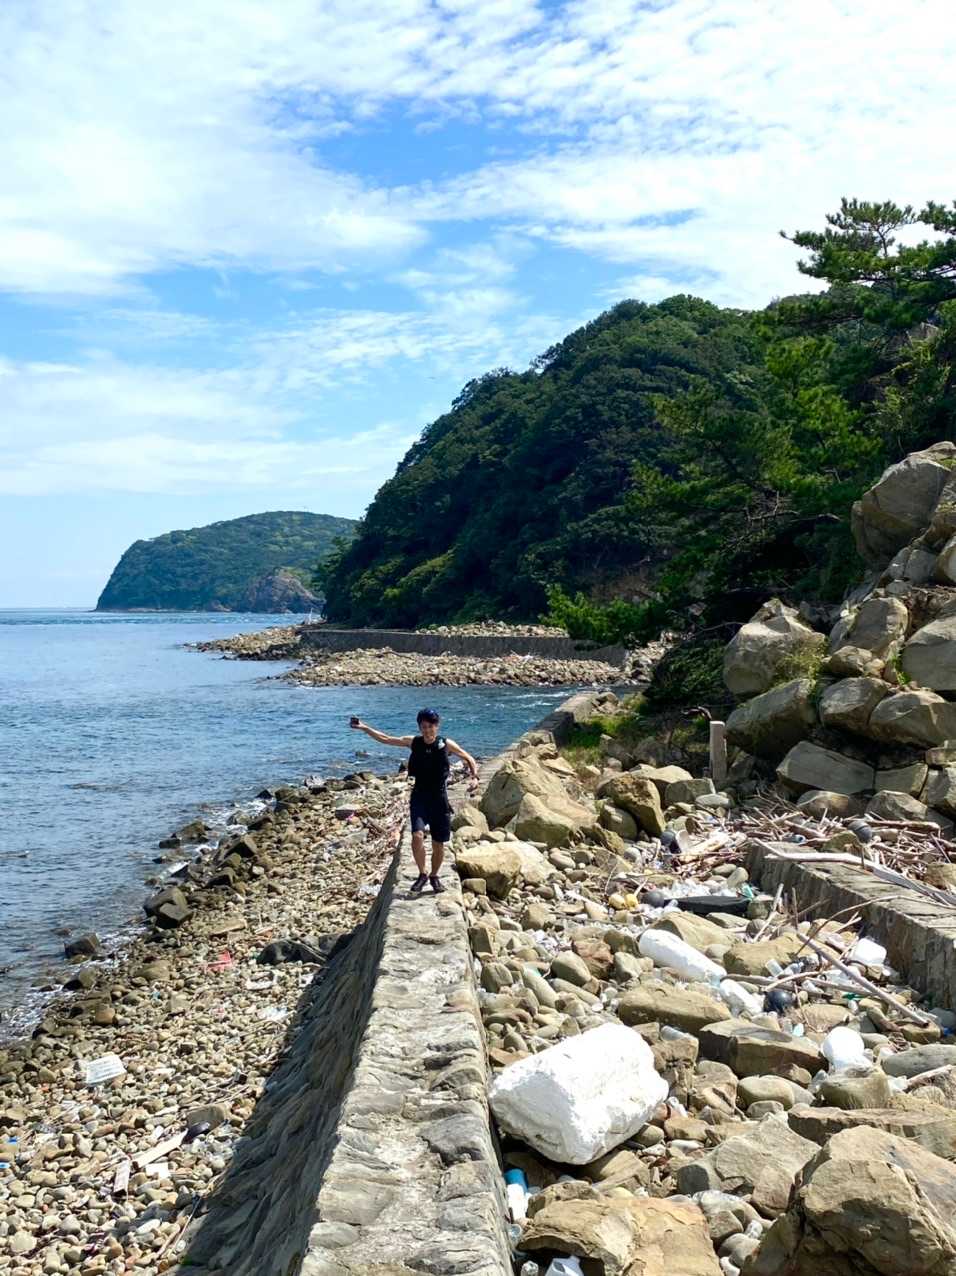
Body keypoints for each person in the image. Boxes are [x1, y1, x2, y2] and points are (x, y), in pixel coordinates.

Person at [350, 708, 479, 893]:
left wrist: (474, 777)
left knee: (438, 843)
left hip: (439, 799)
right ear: (420, 727)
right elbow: (386, 739)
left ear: (437, 726)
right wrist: (364, 727)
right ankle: (422, 873)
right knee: (417, 836)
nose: (427, 730)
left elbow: (469, 758)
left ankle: (434, 876)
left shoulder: (446, 744)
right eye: (423, 726)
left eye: (430, 726)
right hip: (419, 796)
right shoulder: (414, 742)